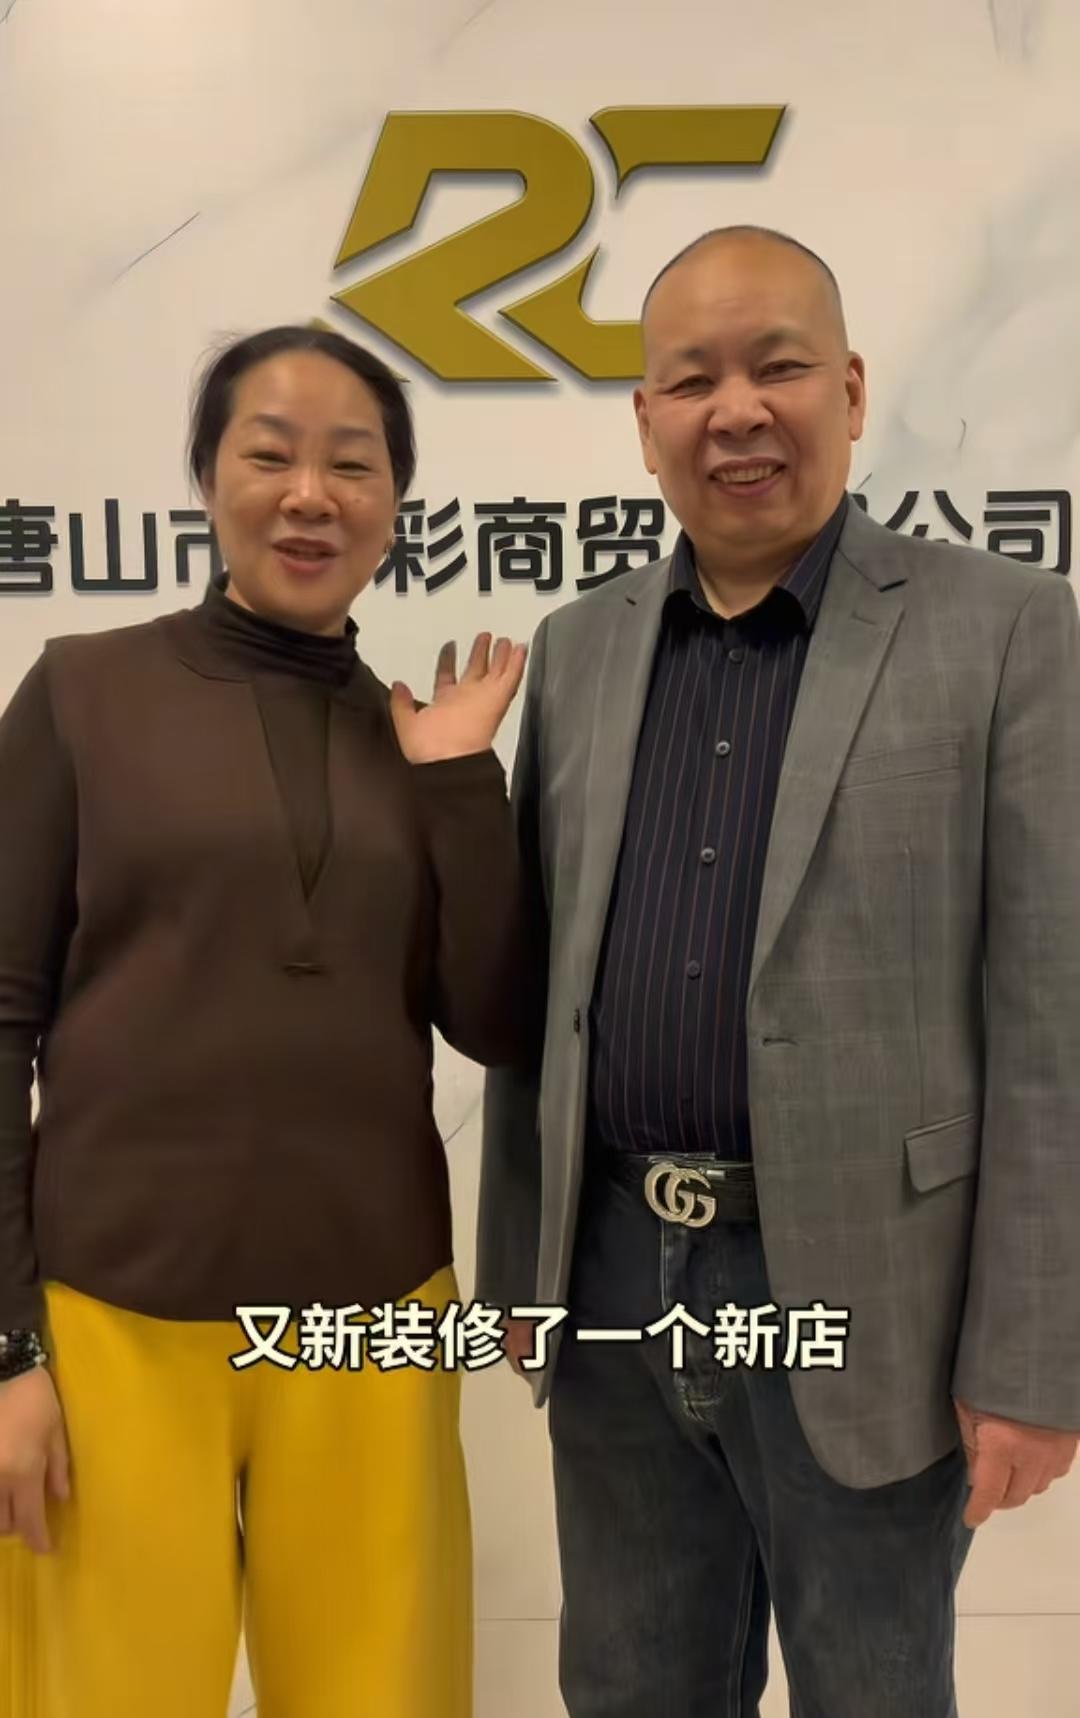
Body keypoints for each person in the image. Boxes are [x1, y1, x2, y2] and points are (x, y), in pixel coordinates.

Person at [477, 228, 1080, 1718]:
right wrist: (520, 1274)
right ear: (646, 420)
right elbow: (542, 1002)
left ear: (852, 391)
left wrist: (1034, 1357)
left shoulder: (1002, 629)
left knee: (874, 1691)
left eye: (779, 366)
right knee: (631, 1687)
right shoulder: (577, 649)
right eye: (691, 381)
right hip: (615, 1279)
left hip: (875, 1296)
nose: (735, 410)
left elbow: (1052, 1023)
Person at [0, 324, 528, 1718]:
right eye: (271, 454)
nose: (311, 495)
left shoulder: (414, 739)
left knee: (383, 1694)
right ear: (207, 476)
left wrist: (460, 783)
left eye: (353, 464)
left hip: (375, 1314)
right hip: (113, 1316)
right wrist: (7, 1350)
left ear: (396, 503)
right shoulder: (80, 692)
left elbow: (498, 1021)